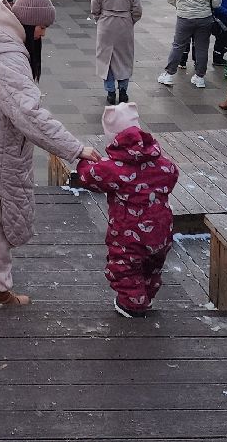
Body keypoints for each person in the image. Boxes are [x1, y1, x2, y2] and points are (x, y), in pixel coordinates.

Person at [0, 0, 99, 308]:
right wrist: (74, 148)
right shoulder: (7, 55)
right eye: (43, 27)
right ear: (30, 23)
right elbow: (29, 115)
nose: (44, 34)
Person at [74, 102, 178, 317]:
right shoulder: (161, 163)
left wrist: (83, 161)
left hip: (128, 234)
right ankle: (145, 297)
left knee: (125, 267)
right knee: (152, 266)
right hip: (161, 229)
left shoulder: (112, 169)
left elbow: (87, 177)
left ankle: (132, 305)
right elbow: (172, 173)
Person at [157, 0, 220, 90]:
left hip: (184, 18)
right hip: (205, 19)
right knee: (202, 47)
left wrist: (181, 7)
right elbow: (216, 3)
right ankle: (200, 77)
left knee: (178, 45)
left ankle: (168, 74)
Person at [92, 0, 142, 104]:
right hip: (124, 25)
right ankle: (123, 90)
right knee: (124, 57)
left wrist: (100, 18)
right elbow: (137, 10)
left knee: (105, 58)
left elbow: (94, 8)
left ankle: (110, 92)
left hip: (106, 25)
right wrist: (130, 20)